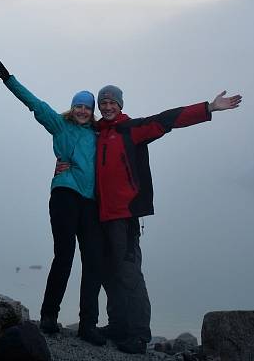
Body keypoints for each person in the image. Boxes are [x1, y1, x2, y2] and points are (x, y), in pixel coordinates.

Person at [94, 84, 242, 354]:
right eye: (103, 102)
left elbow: (168, 119)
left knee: (130, 276)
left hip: (124, 216)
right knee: (108, 273)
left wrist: (208, 108)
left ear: (120, 105)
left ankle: (139, 335)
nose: (107, 106)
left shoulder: (133, 129)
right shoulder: (97, 133)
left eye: (112, 102)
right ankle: (117, 325)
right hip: (100, 216)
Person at [0, 58, 106, 345]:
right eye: (79, 106)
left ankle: (88, 324)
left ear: (92, 112)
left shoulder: (100, 135)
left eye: (87, 107)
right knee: (64, 255)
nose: (82, 111)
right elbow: (36, 104)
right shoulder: (60, 126)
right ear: (73, 108)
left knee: (93, 261)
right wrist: (8, 79)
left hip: (90, 203)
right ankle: (49, 315)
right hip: (64, 194)